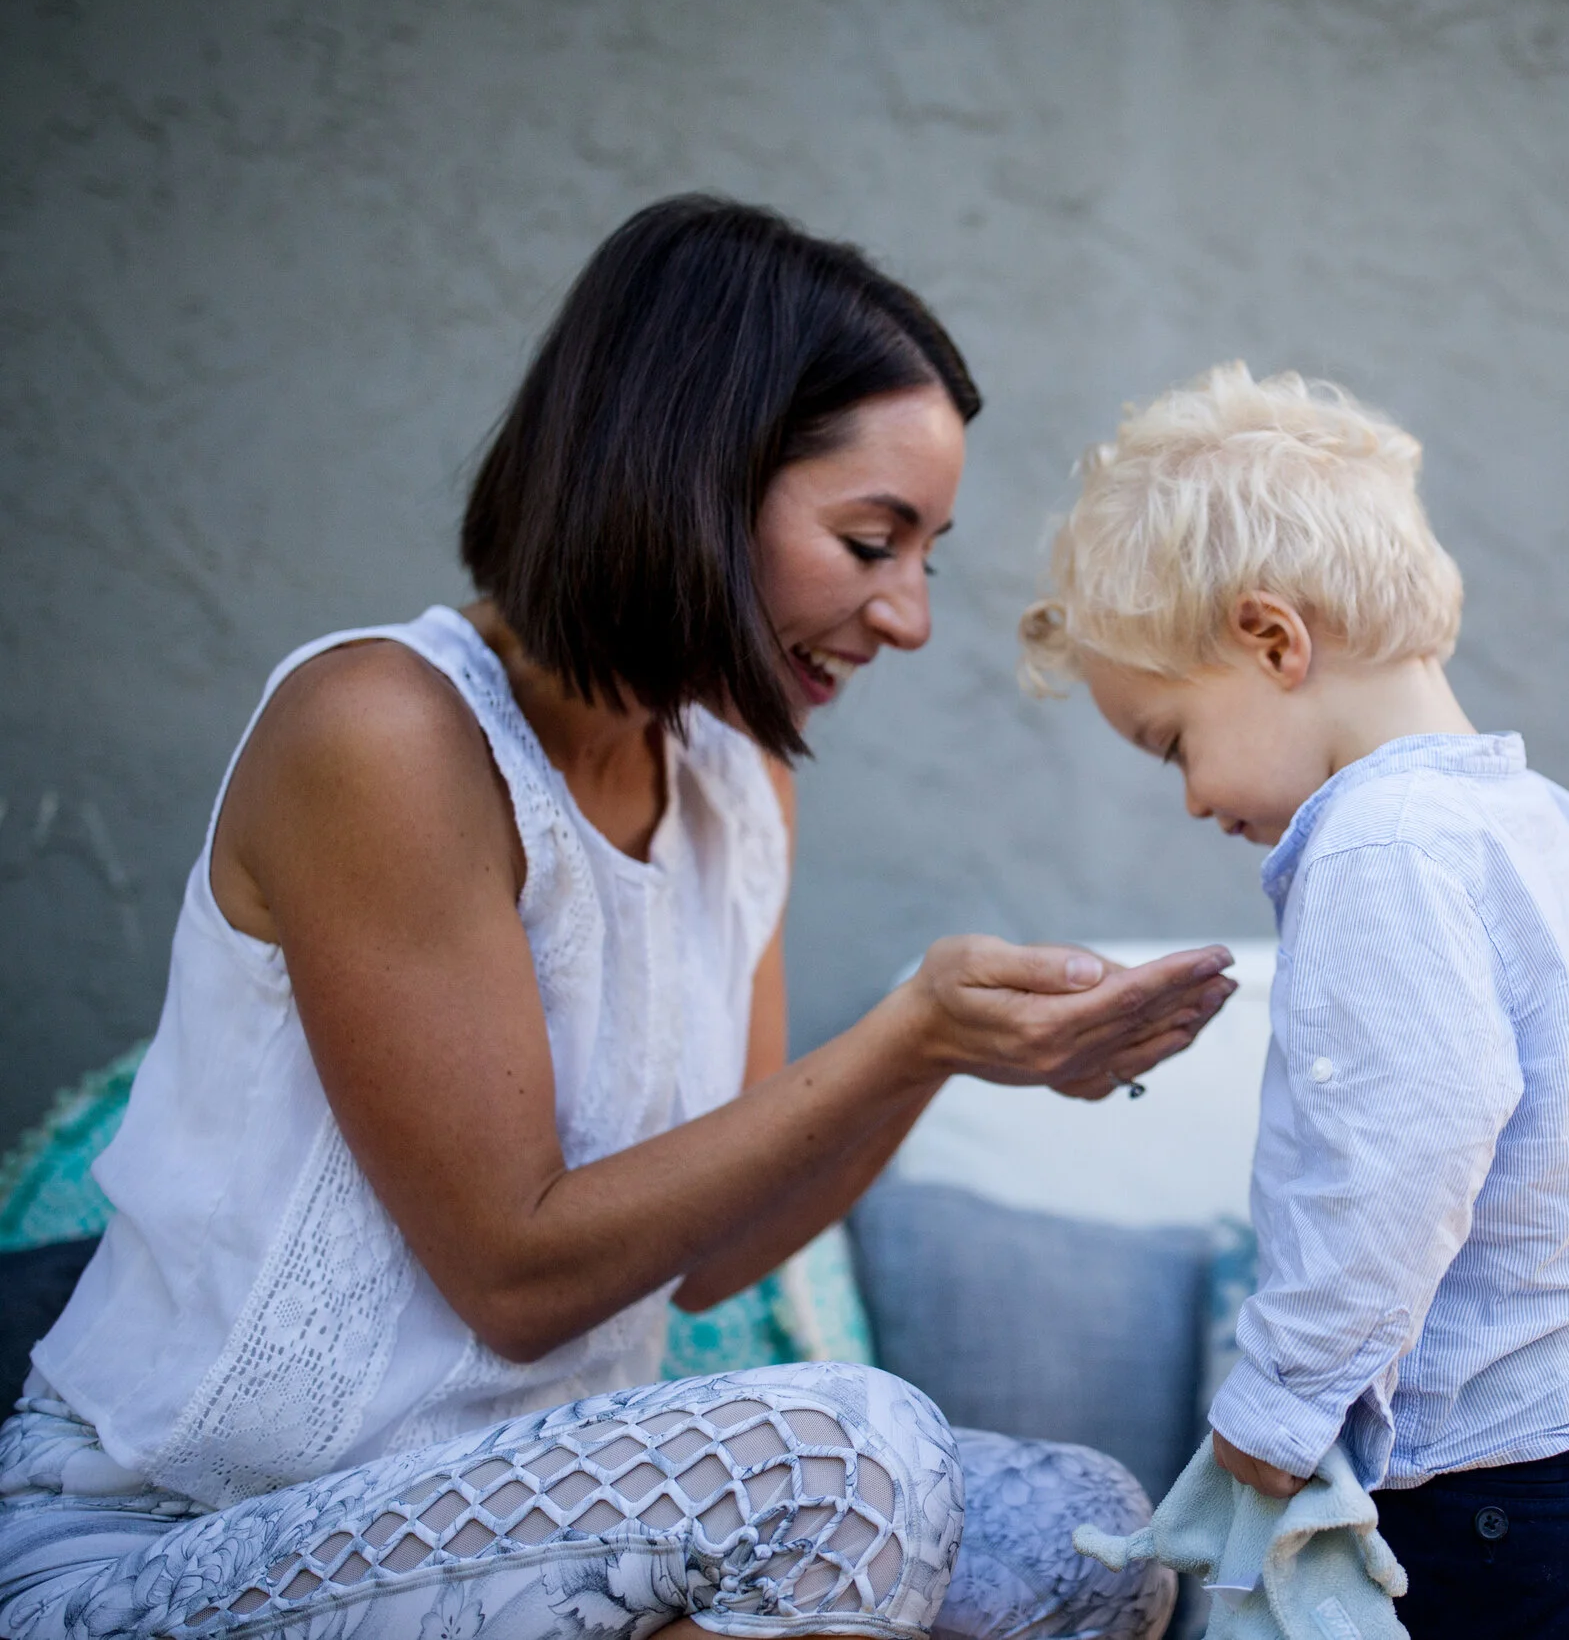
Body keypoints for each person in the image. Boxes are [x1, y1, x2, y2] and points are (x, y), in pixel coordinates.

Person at [0, 197, 1239, 1640]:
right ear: (693, 480)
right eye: (870, 539)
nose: (905, 615)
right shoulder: (385, 732)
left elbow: (711, 1256)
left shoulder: (735, 781)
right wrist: (906, 1021)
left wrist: (937, 1055)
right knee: (849, 1457)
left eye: (928, 555)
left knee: (1081, 1535)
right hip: (175, 1539)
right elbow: (519, 1273)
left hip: (507, 1519)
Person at [1019, 363, 1569, 1640]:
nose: (1186, 800)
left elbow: (1408, 1141)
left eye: (1170, 738)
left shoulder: (1371, 842)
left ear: (1273, 639)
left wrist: (1276, 1414)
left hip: (1479, 1475)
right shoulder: (1563, 832)